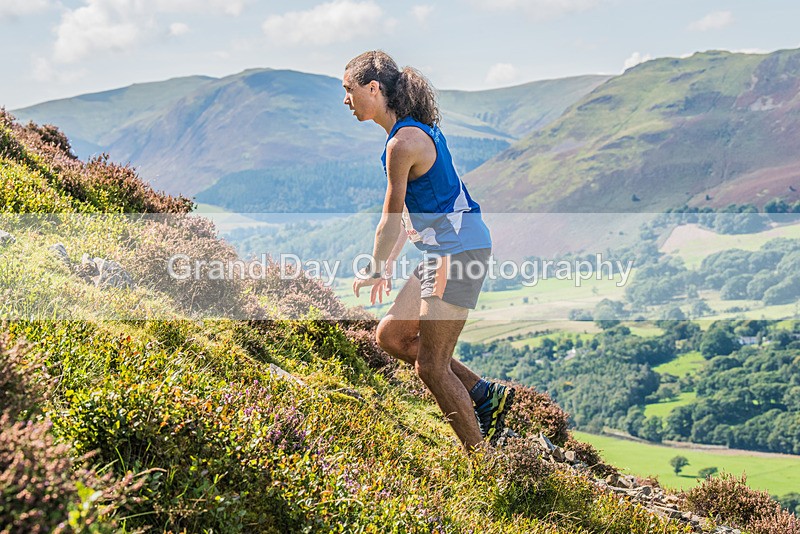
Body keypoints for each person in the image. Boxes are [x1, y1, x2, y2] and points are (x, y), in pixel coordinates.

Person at [343, 50, 514, 450]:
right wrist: (388, 265)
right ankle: (483, 394)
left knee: (431, 367)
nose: (346, 100)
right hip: (447, 251)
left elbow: (389, 219)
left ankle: (483, 462)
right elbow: (411, 213)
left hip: (458, 252)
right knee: (391, 335)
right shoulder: (413, 132)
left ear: (373, 88)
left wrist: (374, 267)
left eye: (349, 89)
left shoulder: (402, 143)